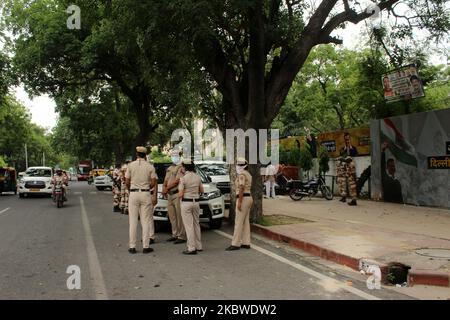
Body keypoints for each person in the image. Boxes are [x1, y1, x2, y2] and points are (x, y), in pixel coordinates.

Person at [125, 146, 158, 254]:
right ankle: (145, 246)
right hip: (145, 193)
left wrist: (131, 190)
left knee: (133, 221)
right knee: (146, 220)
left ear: (137, 154)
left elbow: (126, 181)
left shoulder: (130, 166)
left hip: (134, 194)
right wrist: (147, 186)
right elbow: (153, 182)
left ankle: (132, 246)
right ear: (145, 155)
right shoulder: (150, 167)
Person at [178, 159, 204, 255]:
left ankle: (191, 248)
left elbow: (180, 194)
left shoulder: (183, 178)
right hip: (196, 202)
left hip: (186, 202)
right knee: (196, 224)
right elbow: (202, 190)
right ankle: (199, 246)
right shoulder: (197, 177)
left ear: (184, 167)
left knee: (189, 226)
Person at [226, 157, 253, 251]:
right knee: (245, 221)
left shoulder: (242, 175)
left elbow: (241, 188)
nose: (237, 166)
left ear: (242, 166)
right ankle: (246, 242)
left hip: (243, 198)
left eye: (238, 165)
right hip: (249, 197)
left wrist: (240, 202)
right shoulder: (248, 174)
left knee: (238, 222)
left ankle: (235, 243)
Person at [163, 149, 186, 244]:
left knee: (179, 216)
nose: (174, 157)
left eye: (175, 155)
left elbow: (177, 181)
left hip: (176, 193)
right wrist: (164, 188)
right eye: (172, 155)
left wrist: (166, 188)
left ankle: (181, 236)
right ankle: (175, 234)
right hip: (169, 194)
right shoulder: (170, 168)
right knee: (172, 217)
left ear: (179, 156)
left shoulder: (181, 167)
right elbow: (166, 180)